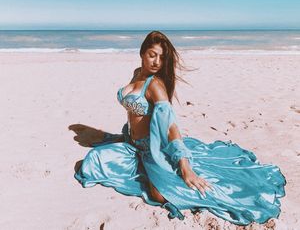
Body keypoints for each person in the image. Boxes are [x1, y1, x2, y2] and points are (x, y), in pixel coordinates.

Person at [74, 31, 286, 225]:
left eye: (162, 57)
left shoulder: (155, 86)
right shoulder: (137, 73)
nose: (157, 61)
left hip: (151, 149)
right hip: (131, 143)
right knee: (94, 161)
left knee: (158, 194)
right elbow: (133, 113)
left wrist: (185, 168)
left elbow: (171, 127)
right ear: (141, 53)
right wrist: (121, 137)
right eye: (152, 54)